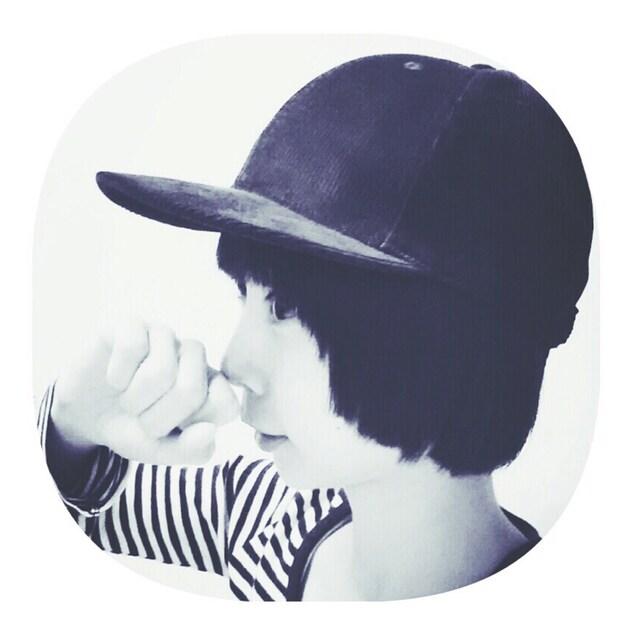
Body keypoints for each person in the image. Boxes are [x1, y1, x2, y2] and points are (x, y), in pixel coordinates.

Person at [37, 53, 592, 601]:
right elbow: (82, 512)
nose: (233, 364)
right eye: (244, 295)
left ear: (438, 348)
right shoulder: (267, 514)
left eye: (283, 309)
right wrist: (72, 426)